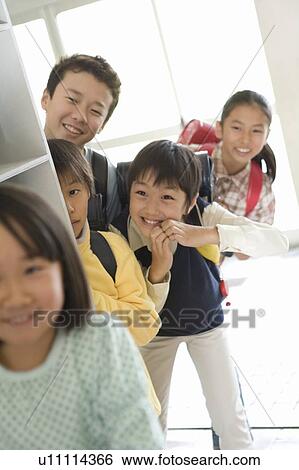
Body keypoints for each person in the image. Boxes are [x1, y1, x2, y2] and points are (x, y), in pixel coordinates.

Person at [111, 140, 289, 450]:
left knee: (229, 419)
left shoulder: (204, 214)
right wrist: (158, 268)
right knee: (149, 423)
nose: (151, 208)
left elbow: (276, 242)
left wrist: (207, 234)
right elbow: (139, 308)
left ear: (189, 201)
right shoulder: (119, 231)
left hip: (207, 326)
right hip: (153, 334)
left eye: (167, 197)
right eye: (141, 193)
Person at [0, 184, 164, 450]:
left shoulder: (101, 341)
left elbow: (137, 443)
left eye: (31, 270)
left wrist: (86, 296)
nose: (16, 296)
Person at [48, 138, 161, 348]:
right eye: (52, 196)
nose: (68, 208)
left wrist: (83, 298)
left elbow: (146, 325)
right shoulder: (21, 265)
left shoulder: (111, 246)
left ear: (89, 191)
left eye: (73, 192)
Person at [41, 54, 122, 223]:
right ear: (46, 99)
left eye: (95, 111)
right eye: (72, 99)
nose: (80, 116)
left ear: (103, 125)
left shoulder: (105, 175)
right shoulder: (12, 160)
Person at [213, 90, 275, 224]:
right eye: (236, 128)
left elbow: (261, 241)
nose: (245, 140)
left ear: (266, 136)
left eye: (256, 130)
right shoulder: (188, 159)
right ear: (219, 128)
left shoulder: (262, 194)